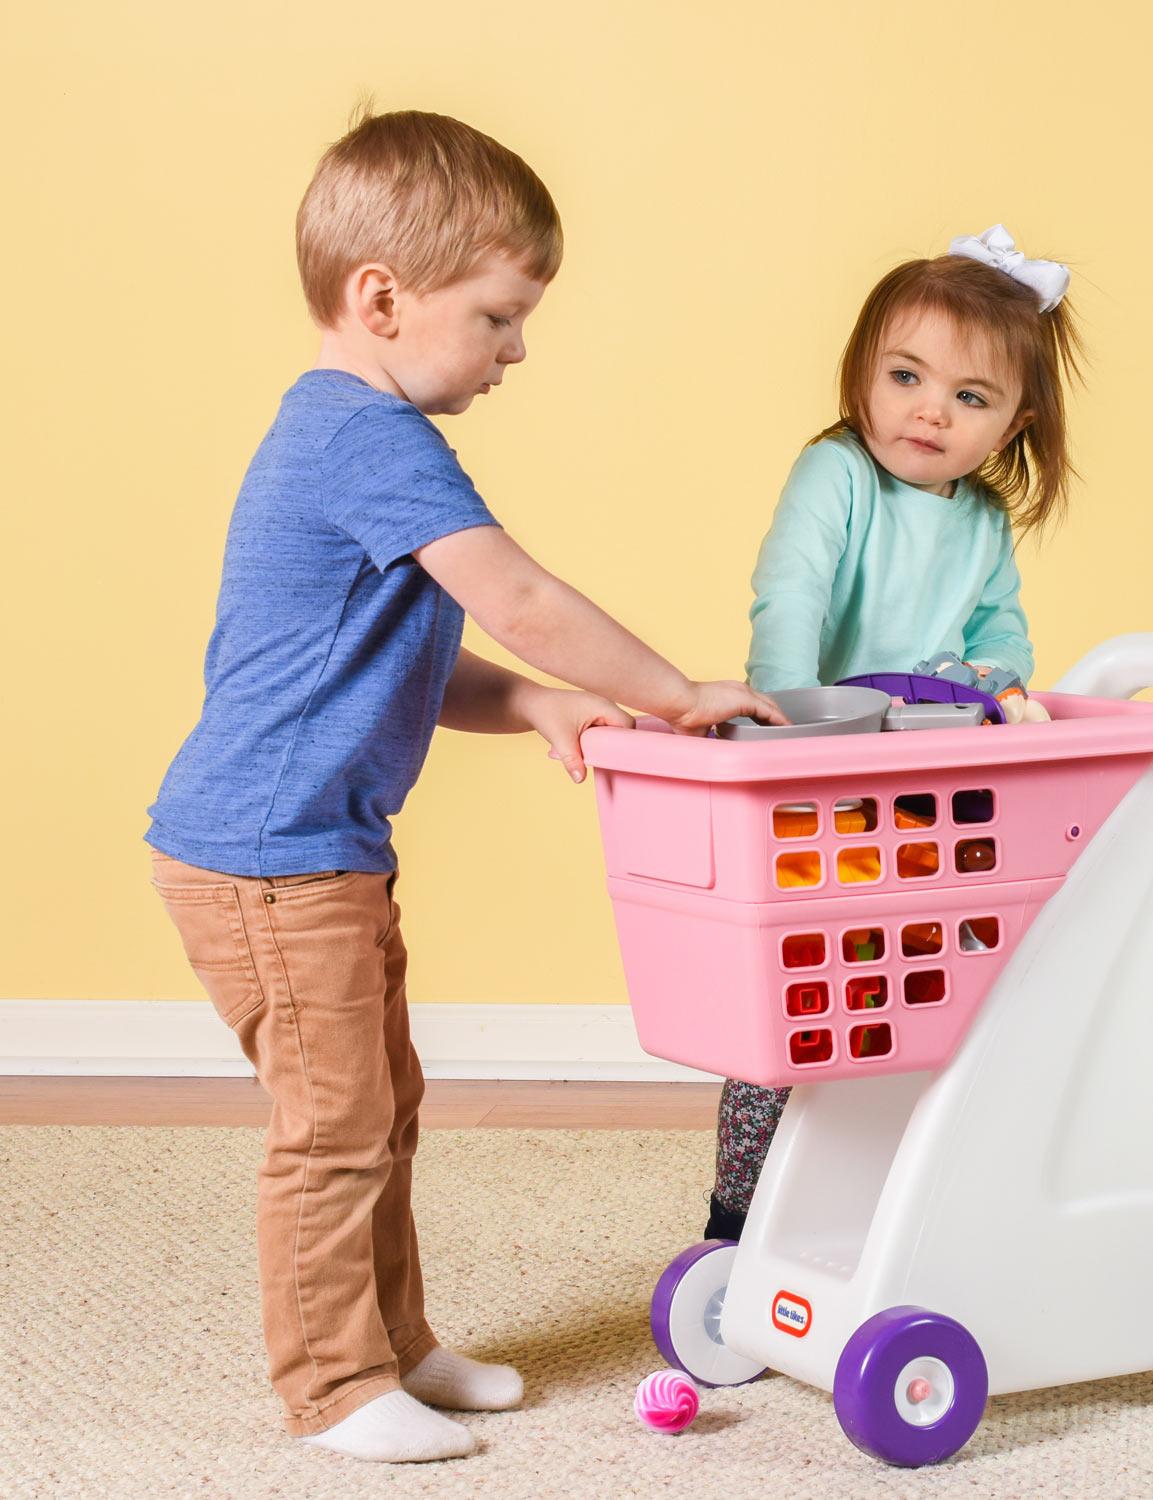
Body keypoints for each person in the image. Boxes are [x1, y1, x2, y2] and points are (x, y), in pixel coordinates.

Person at [146, 106, 781, 1464]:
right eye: (497, 316)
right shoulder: (364, 442)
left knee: (385, 1104)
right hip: (266, 856)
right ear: (383, 298)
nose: (518, 349)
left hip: (321, 848)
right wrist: (672, 692)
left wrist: (540, 703)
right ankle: (331, 1386)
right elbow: (522, 598)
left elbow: (407, 666)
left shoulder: (358, 442)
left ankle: (395, 1344)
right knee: (333, 1128)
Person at [705, 224, 1083, 1241]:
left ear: (1012, 425)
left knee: (930, 970)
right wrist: (785, 709)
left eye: (971, 397)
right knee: (799, 987)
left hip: (927, 772)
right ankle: (737, 1213)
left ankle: (908, 1190)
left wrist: (1000, 686)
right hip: (821, 766)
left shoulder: (982, 521)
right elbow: (791, 588)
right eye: (908, 376)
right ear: (861, 376)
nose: (931, 410)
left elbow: (1000, 630)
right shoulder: (835, 475)